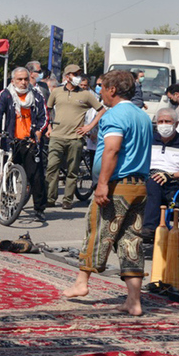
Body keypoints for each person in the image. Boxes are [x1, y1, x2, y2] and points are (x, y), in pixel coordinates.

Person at [62, 70, 153, 316]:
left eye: (101, 87)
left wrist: (102, 184)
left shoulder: (115, 115)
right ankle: (134, 301)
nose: (99, 91)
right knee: (130, 241)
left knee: (97, 233)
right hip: (139, 186)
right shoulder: (142, 115)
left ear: (113, 90)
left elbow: (112, 150)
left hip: (118, 186)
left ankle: (82, 283)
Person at [0, 67, 49, 221]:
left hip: (30, 142)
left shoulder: (36, 95)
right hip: (11, 141)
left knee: (36, 177)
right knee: (8, 176)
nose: (23, 82)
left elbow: (44, 117)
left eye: (25, 79)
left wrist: (39, 131)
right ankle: (7, 205)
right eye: (19, 79)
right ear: (13, 81)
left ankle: (39, 209)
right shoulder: (6, 94)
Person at [45, 64, 105, 209]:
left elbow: (101, 110)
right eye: (74, 74)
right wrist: (49, 127)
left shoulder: (85, 94)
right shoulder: (56, 92)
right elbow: (47, 109)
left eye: (79, 73)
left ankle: (67, 199)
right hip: (57, 136)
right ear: (67, 77)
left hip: (75, 138)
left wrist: (89, 127)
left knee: (72, 171)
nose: (77, 77)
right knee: (52, 167)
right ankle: (50, 198)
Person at [139, 107, 179, 240]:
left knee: (154, 182)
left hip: (173, 181)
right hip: (148, 176)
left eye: (167, 121)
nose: (164, 125)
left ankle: (150, 227)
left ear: (176, 124)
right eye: (160, 121)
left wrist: (170, 175)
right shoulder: (149, 140)